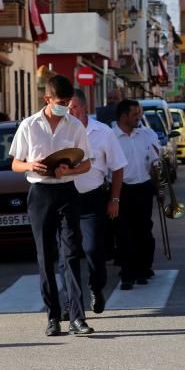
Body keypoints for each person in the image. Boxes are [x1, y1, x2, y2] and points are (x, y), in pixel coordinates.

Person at [9, 75, 94, 337]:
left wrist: (71, 169)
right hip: (40, 192)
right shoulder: (29, 125)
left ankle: (77, 318)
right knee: (45, 256)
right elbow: (15, 164)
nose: (66, 106)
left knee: (71, 254)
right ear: (47, 99)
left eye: (68, 102)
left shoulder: (75, 126)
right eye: (60, 102)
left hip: (67, 190)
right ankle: (53, 317)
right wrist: (30, 165)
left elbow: (87, 163)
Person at [67, 88, 127, 315]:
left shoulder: (103, 133)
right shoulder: (59, 133)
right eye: (66, 108)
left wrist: (114, 199)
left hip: (93, 197)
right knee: (67, 252)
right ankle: (70, 302)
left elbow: (118, 167)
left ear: (83, 108)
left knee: (93, 249)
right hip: (66, 197)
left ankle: (96, 288)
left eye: (73, 107)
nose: (69, 112)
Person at [112, 99, 161, 289]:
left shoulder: (146, 135)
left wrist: (160, 189)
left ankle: (143, 269)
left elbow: (155, 163)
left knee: (144, 230)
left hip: (144, 188)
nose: (138, 117)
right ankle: (127, 274)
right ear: (123, 116)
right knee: (124, 234)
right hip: (121, 190)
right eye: (134, 114)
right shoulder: (111, 137)